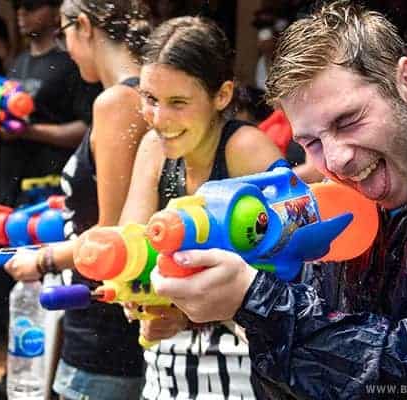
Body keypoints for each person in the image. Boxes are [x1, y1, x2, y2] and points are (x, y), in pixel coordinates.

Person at [150, 2, 407, 398]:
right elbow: (300, 379)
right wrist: (231, 302)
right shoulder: (332, 204)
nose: (336, 159)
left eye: (349, 121)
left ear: (406, 80)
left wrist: (259, 301)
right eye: (311, 141)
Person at [109, 17, 283, 399]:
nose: (158, 118)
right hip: (168, 371)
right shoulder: (154, 148)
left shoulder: (246, 151)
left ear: (222, 96)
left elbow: (295, 277)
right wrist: (136, 296)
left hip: (247, 370)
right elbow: (132, 248)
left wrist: (187, 314)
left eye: (178, 103)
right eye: (149, 99)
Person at [3, 0, 151, 399]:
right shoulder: (139, 97)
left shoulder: (117, 103)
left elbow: (115, 236)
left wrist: (43, 259)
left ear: (83, 25)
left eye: (64, 32)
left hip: (105, 328)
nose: (65, 47)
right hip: (117, 322)